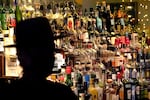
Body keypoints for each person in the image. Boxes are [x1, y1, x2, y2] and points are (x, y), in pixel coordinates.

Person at [1, 17, 78, 100]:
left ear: (20, 56)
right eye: (47, 52)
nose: (52, 57)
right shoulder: (62, 94)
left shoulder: (8, 93)